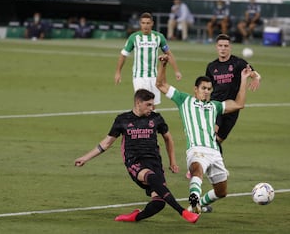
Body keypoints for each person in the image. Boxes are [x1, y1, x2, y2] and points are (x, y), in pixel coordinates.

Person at [74, 89, 200, 223]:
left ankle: (135, 217)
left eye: (152, 104)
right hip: (135, 162)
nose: (152, 108)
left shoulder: (156, 118)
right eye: (148, 105)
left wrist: (172, 162)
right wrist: (85, 158)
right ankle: (183, 212)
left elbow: (168, 138)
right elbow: (106, 143)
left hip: (154, 162)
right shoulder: (123, 119)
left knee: (159, 203)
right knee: (151, 177)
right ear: (138, 103)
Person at [156, 53, 253, 214]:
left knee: (221, 191)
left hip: (214, 152)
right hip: (196, 149)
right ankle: (194, 196)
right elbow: (160, 84)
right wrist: (164, 65)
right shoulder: (184, 100)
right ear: (196, 89)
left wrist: (243, 79)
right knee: (197, 169)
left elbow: (239, 104)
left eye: (209, 89)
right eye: (203, 88)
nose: (206, 92)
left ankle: (196, 204)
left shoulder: (215, 106)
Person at [206, 34, 261, 151]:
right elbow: (207, 87)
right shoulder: (211, 67)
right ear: (216, 47)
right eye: (220, 46)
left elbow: (254, 73)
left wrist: (256, 78)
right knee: (211, 137)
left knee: (219, 140)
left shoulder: (238, 63)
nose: (223, 48)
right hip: (216, 105)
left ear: (230, 47)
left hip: (233, 107)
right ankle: (202, 165)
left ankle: (211, 161)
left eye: (226, 46)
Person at [114, 12, 182, 107]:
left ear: (152, 23)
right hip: (139, 77)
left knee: (153, 106)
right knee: (142, 105)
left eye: (148, 23)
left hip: (155, 77)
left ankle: (151, 122)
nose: (145, 25)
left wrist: (176, 71)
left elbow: (168, 54)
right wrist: (118, 72)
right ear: (140, 23)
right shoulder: (134, 38)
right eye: (143, 23)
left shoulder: (159, 37)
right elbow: (123, 55)